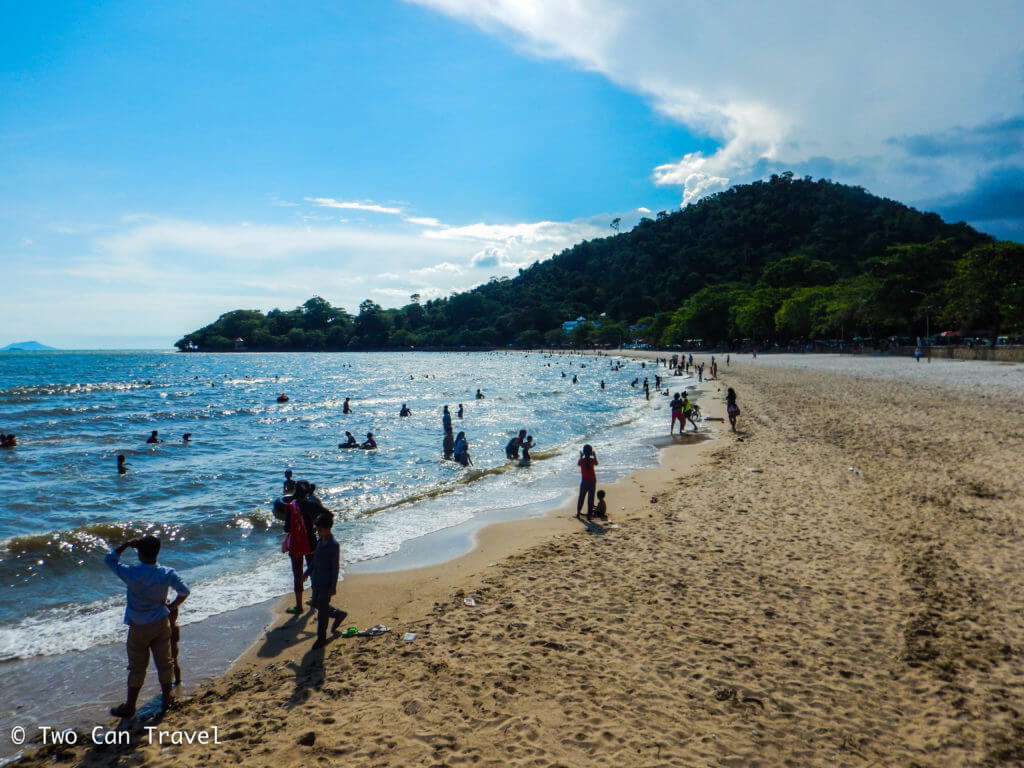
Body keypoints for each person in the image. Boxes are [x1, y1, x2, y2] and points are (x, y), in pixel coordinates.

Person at [104, 535, 190, 718]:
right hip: (161, 622)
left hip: (139, 625)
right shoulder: (166, 573)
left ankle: (130, 705)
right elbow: (185, 591)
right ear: (157, 552)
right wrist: (172, 606)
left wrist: (126, 544)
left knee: (137, 667)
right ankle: (167, 699)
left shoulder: (131, 573)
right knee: (165, 663)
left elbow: (109, 559)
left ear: (139, 553)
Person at [304, 512, 347, 649]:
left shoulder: (333, 545)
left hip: (326, 583)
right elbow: (315, 560)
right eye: (316, 529)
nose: (317, 532)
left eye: (320, 530)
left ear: (328, 529)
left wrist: (333, 586)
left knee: (322, 613)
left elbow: (335, 567)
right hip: (316, 580)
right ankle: (338, 614)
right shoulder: (319, 541)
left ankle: (321, 638)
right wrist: (307, 572)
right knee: (315, 603)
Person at [282, 482, 317, 614]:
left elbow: (286, 528)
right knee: (312, 570)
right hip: (311, 541)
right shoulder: (312, 504)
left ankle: (299, 606)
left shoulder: (292, 506)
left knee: (297, 574)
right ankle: (314, 599)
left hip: (297, 544)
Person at [576, 444, 598, 520]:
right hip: (592, 482)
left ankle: (578, 513)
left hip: (584, 482)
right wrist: (594, 455)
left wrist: (581, 456)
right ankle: (589, 515)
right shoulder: (592, 460)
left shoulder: (582, 461)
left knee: (581, 498)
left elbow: (578, 464)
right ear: (591, 452)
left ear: (584, 452)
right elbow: (596, 463)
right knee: (591, 499)